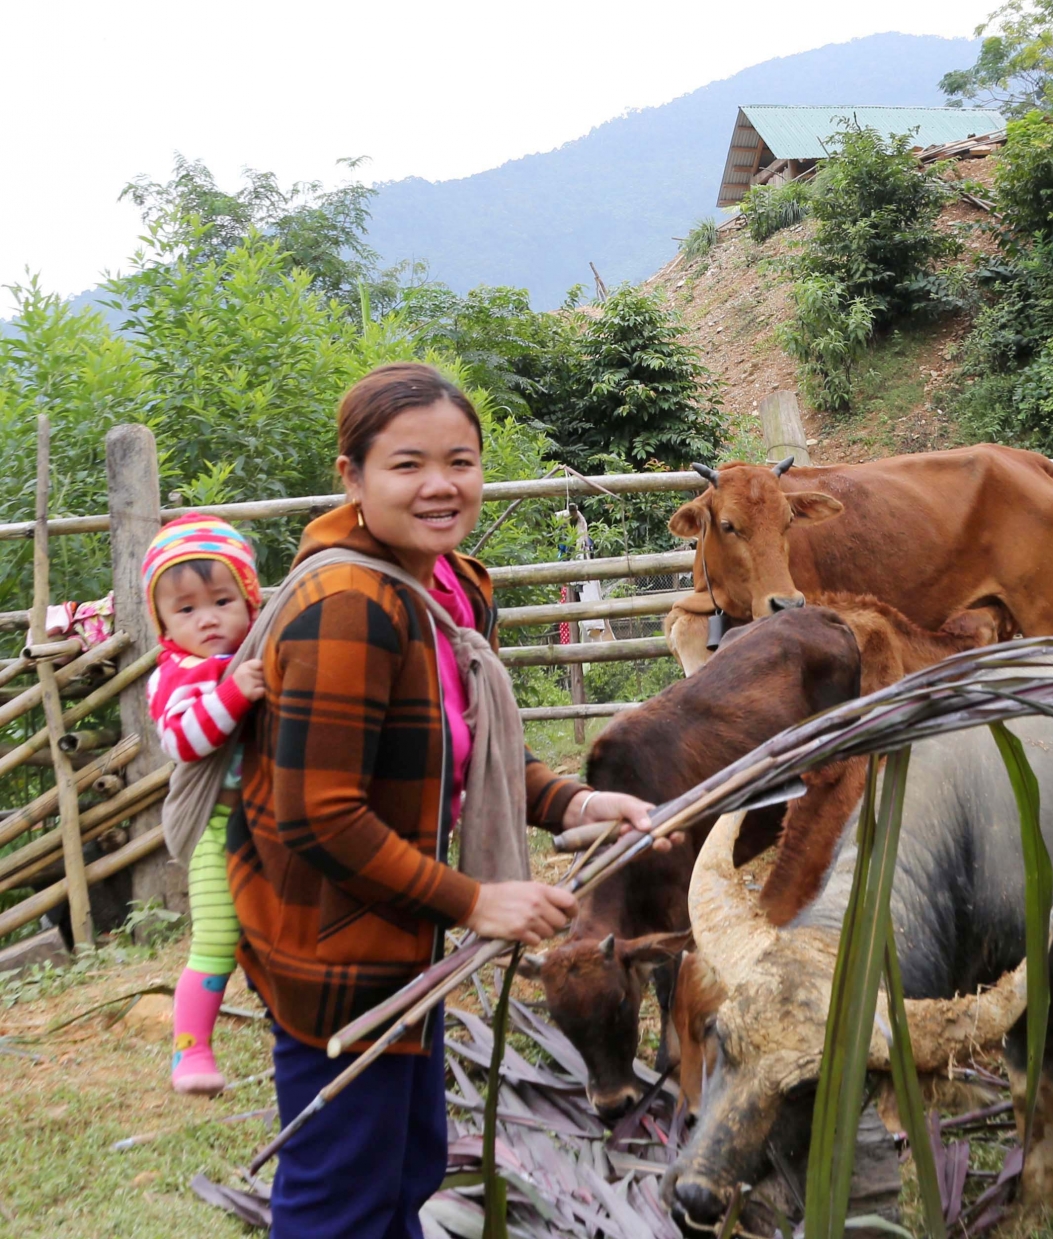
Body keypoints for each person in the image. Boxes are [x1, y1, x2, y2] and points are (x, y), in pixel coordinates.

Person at [227, 363, 676, 1237]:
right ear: (351, 477)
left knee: (408, 1169)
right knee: (339, 1203)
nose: (440, 484)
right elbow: (317, 814)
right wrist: (477, 898)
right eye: (407, 464)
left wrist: (581, 805)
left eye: (460, 460)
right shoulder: (346, 605)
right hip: (335, 957)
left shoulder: (450, 585)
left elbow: (469, 755)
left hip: (406, 938)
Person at [143, 513, 265, 1095]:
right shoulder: (177, 675)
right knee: (216, 937)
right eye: (186, 609)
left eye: (222, 599)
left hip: (276, 817)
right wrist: (237, 692)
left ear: (250, 599)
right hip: (217, 824)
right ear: (163, 623)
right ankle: (191, 1052)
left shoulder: (265, 650)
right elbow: (186, 741)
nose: (208, 619)